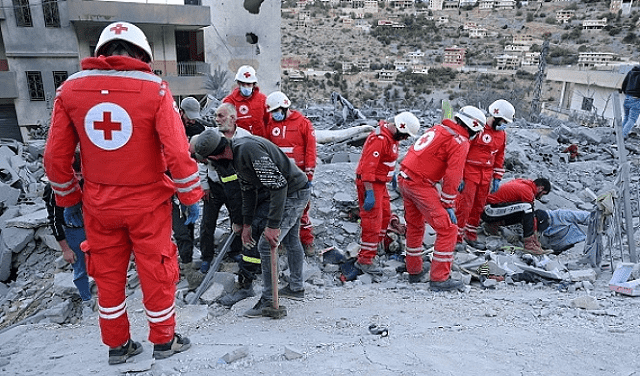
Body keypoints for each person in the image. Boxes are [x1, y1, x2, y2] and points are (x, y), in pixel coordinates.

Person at [43, 22, 203, 364]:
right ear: (141, 54)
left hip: (99, 206)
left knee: (108, 275)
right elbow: (177, 152)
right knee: (156, 270)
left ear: (101, 52)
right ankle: (164, 341)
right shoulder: (155, 89)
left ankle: (118, 346)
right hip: (148, 206)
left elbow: (55, 158)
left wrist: (69, 201)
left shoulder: (69, 90)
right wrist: (191, 198)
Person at [191, 128, 310, 318]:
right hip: (289, 190)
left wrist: (272, 226)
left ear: (215, 155)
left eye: (207, 161)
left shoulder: (247, 150)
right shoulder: (236, 157)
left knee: (266, 244)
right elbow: (248, 191)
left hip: (293, 192)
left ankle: (269, 301)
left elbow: (278, 185)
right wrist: (246, 225)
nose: (209, 165)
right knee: (291, 240)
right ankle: (296, 287)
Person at [398, 106, 486, 290]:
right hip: (420, 184)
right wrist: (448, 203)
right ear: (473, 126)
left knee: (415, 226)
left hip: (405, 178)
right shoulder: (460, 141)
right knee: (448, 230)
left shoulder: (438, 129)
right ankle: (439, 279)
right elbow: (453, 175)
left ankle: (414, 270)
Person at [194, 103, 267, 306]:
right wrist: (204, 185)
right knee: (208, 222)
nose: (217, 119)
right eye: (216, 116)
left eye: (221, 115)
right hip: (216, 187)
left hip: (239, 188)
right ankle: (207, 257)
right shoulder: (210, 137)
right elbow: (202, 165)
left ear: (233, 118)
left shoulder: (243, 137)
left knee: (240, 219)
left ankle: (236, 253)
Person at [354, 111, 420, 275]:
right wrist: (369, 192)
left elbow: (387, 161)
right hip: (370, 184)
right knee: (372, 222)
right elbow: (367, 168)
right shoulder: (379, 139)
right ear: (399, 127)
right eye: (404, 135)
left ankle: (376, 249)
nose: (405, 139)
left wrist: (393, 175)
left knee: (385, 218)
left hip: (381, 183)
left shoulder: (392, 138)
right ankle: (365, 260)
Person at [455, 99, 514, 247]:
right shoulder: (477, 129)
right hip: (470, 172)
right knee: (464, 205)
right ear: (495, 116)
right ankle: (456, 236)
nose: (503, 125)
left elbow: (500, 156)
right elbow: (462, 151)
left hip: (485, 176)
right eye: (502, 121)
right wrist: (459, 175)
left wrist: (497, 177)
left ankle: (470, 234)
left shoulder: (502, 135)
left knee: (479, 206)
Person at [265, 91, 317, 255]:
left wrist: (309, 174)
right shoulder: (271, 125)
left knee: (302, 209)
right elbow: (267, 148)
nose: (274, 115)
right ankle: (279, 242)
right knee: (278, 208)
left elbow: (310, 150)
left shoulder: (303, 123)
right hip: (278, 176)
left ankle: (307, 241)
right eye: (272, 112)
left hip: (299, 176)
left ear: (284, 107)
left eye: (275, 111)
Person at [43, 152, 92, 303]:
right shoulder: (55, 189)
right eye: (75, 175)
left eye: (80, 174)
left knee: (104, 262)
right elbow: (55, 221)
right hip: (73, 232)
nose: (78, 179)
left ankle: (109, 296)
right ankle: (87, 299)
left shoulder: (90, 181)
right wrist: (65, 249)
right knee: (79, 267)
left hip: (94, 227)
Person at [174, 97, 205, 273]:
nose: (192, 121)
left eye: (194, 117)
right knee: (179, 228)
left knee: (189, 223)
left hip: (189, 182)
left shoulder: (197, 128)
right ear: (181, 111)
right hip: (169, 183)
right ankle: (184, 262)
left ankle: (187, 257)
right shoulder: (171, 125)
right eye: (189, 117)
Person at [481, 178, 552, 255]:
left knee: (522, 211)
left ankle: (492, 225)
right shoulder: (527, 192)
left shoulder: (522, 182)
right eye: (543, 194)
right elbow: (530, 216)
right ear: (541, 188)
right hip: (489, 211)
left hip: (488, 209)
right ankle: (529, 245)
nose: (541, 197)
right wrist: (534, 236)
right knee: (527, 208)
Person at [223, 65, 269, 138]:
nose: (246, 87)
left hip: (260, 141)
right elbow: (225, 125)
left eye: (248, 84)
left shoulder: (262, 99)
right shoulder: (229, 101)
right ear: (238, 83)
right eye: (243, 84)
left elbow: (269, 121)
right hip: (239, 142)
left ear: (253, 84)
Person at [620, 65, 640, 138]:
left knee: (626, 117)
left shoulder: (631, 72)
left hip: (627, 97)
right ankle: (622, 135)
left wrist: (626, 93)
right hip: (637, 99)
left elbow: (624, 84)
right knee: (632, 119)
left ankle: (619, 134)